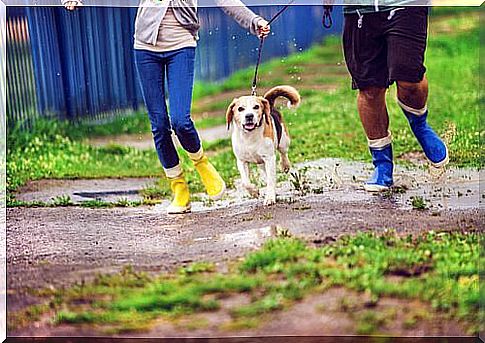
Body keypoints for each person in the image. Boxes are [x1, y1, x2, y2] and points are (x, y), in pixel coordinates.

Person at [64, 0, 270, 213]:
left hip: (181, 46)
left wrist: (254, 21)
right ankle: (179, 189)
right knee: (159, 125)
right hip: (145, 49)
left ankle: (202, 164)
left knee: (180, 121)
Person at [342, 3, 449, 191]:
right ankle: (382, 163)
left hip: (405, 6)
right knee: (369, 88)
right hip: (360, 11)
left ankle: (419, 124)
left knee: (409, 80)